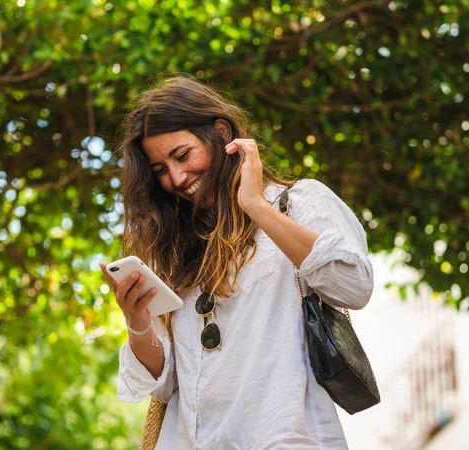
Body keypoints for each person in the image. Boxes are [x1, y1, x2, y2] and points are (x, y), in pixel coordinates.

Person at [99, 75, 374, 449]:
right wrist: (137, 323)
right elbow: (165, 387)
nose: (177, 178)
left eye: (182, 155)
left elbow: (354, 286)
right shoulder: (177, 249)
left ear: (220, 132)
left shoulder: (298, 204)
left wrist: (256, 206)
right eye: (160, 169)